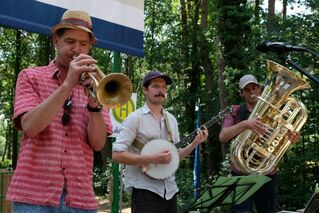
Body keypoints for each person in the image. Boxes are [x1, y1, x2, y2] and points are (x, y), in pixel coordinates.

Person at [6, 10, 112, 212]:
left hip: (80, 199)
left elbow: (98, 144)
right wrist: (68, 85)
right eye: (70, 41)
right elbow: (29, 127)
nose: (77, 49)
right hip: (33, 197)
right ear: (56, 41)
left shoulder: (98, 87)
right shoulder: (30, 76)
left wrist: (94, 104)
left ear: (90, 46)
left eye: (83, 43)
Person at [112, 71, 208, 213]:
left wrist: (194, 144)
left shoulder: (172, 120)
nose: (160, 90)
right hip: (145, 191)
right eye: (156, 86)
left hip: (170, 191)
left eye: (163, 87)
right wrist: (151, 158)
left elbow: (174, 156)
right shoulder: (135, 118)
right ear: (145, 90)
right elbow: (116, 154)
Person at [219, 74, 300, 213]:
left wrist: (291, 138)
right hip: (241, 173)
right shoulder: (235, 110)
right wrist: (245, 124)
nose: (252, 92)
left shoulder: (275, 110)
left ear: (260, 89)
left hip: (267, 173)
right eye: (247, 89)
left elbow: (283, 136)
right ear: (242, 93)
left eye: (254, 88)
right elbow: (223, 136)